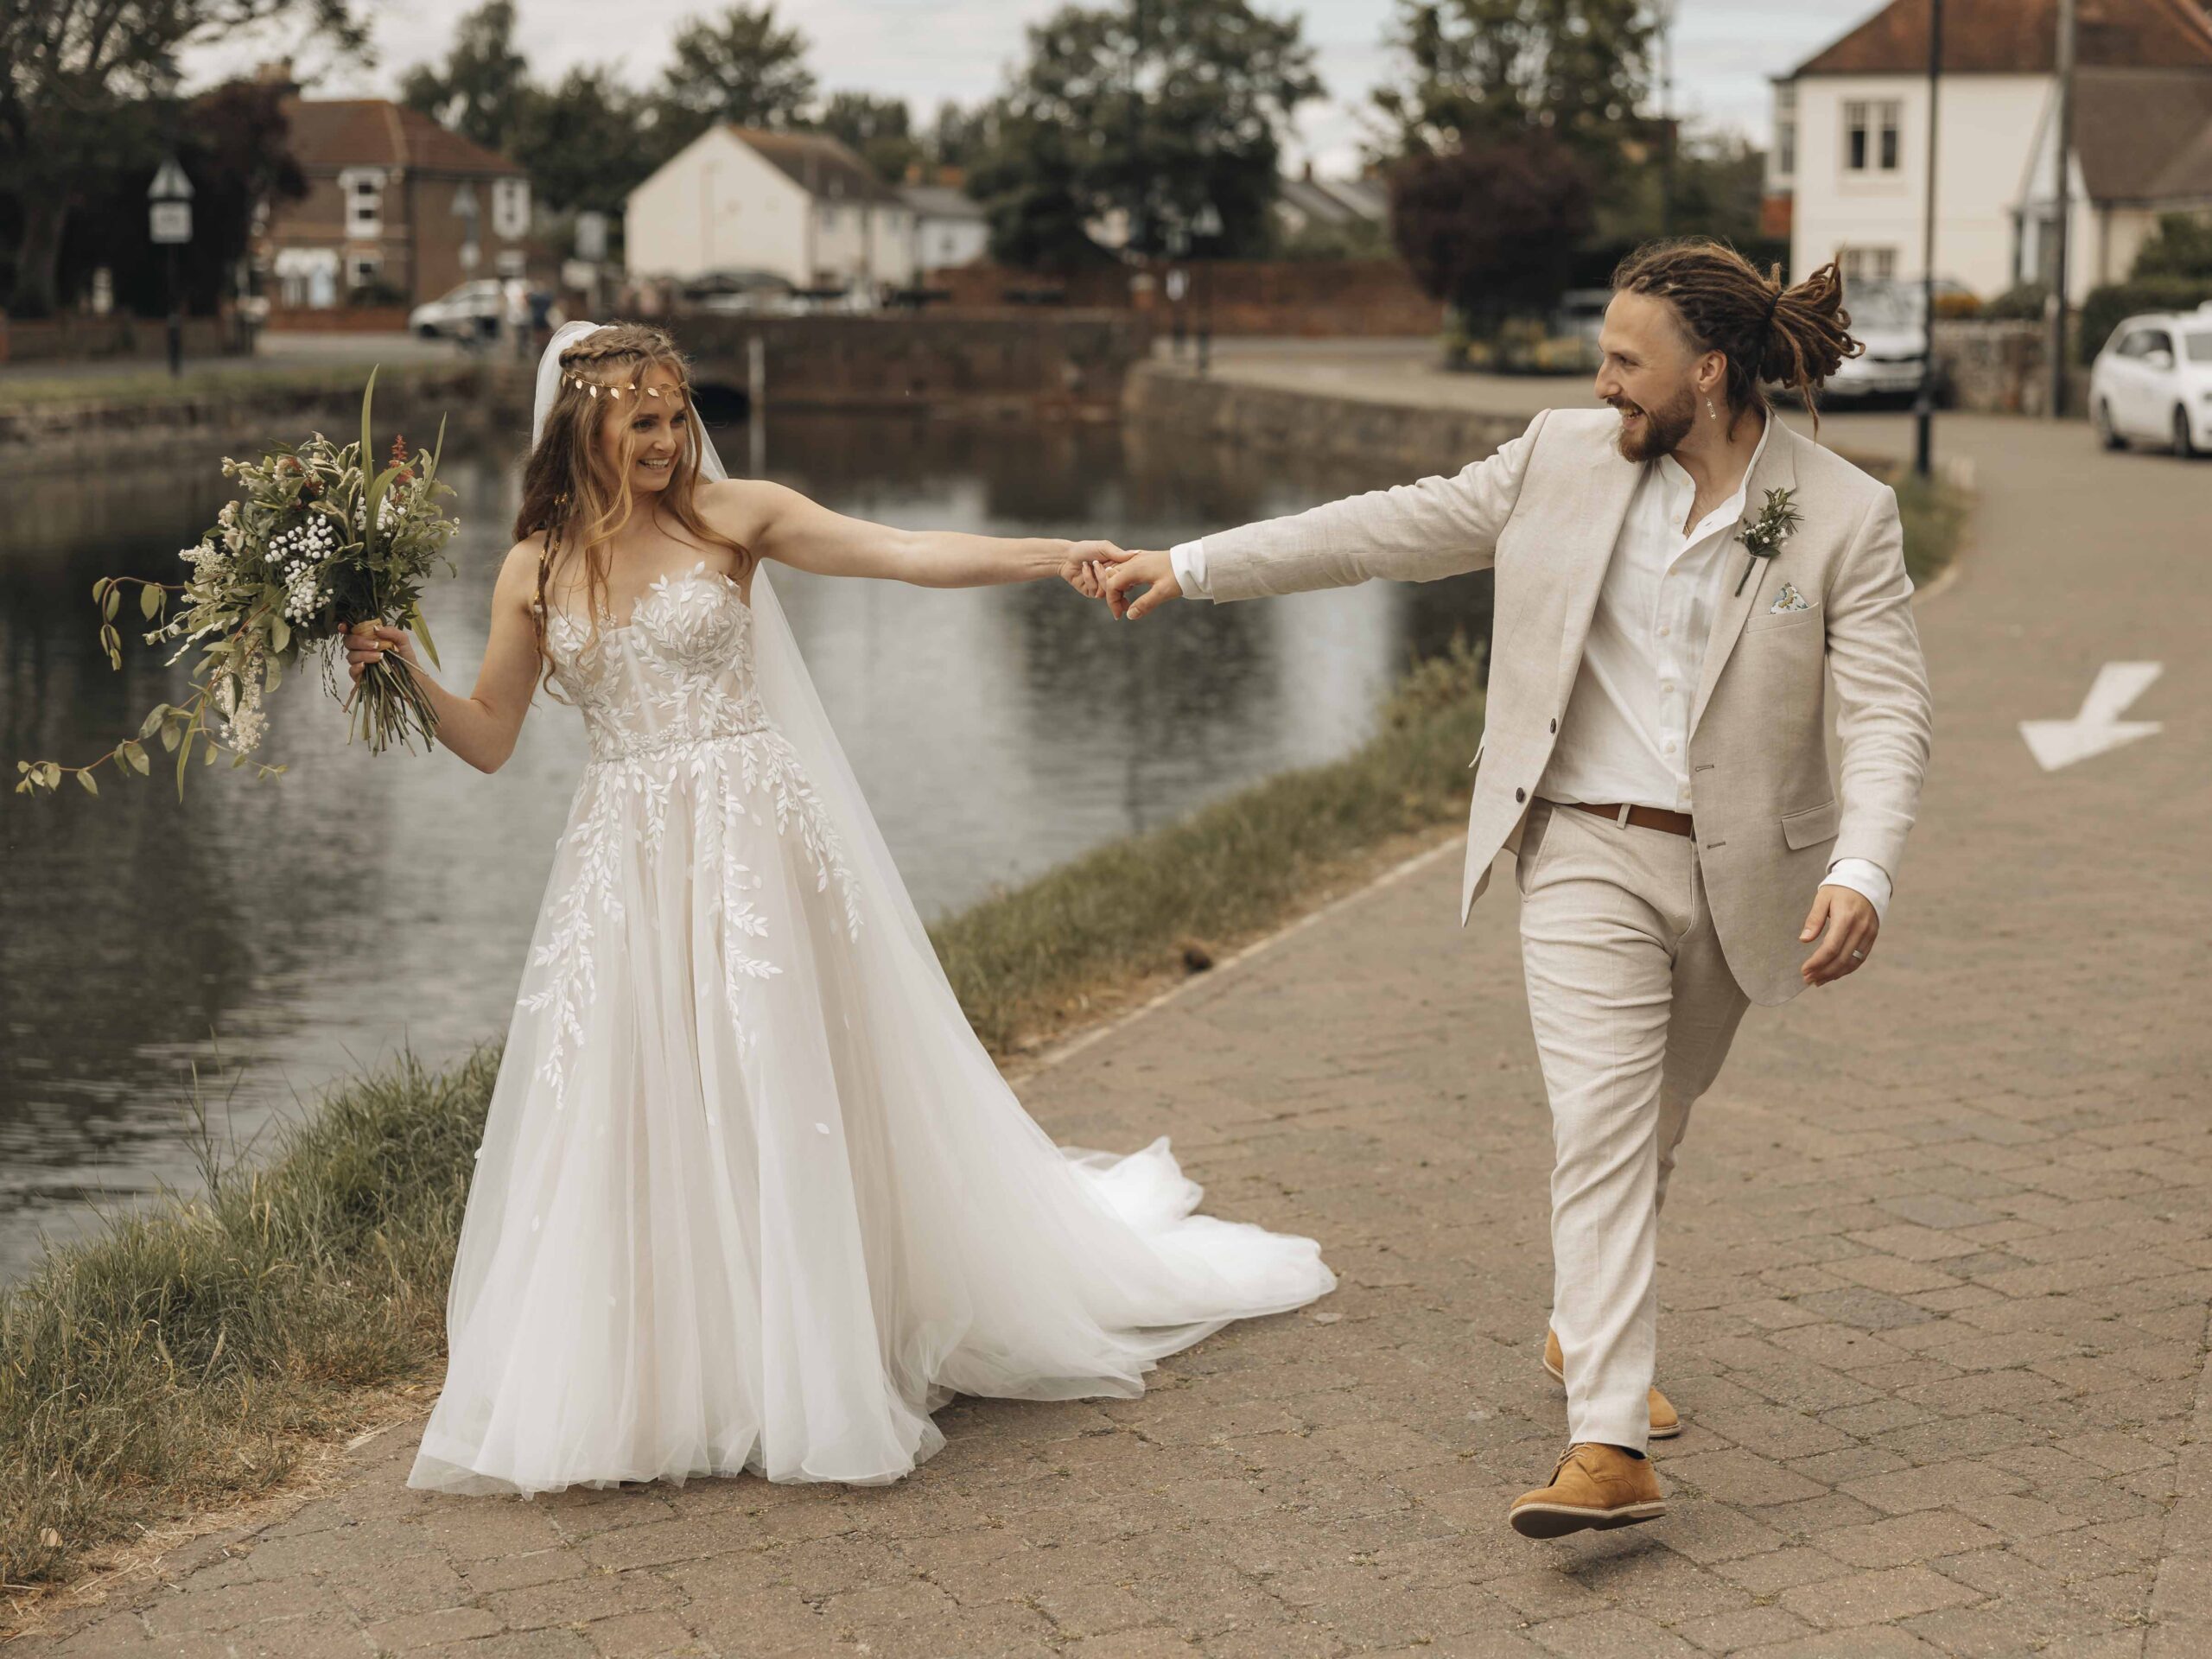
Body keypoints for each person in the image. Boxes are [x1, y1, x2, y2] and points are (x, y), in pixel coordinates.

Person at [346, 321, 1334, 1497]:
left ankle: (824, 1350)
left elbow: (903, 552)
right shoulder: (534, 568)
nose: (665, 441)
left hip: (757, 839)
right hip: (627, 858)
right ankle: (687, 1363)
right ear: (584, 428)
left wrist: (1049, 554)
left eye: (673, 416)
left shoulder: (736, 516)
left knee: (781, 1078)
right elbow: (493, 739)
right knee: (650, 1090)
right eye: (640, 422)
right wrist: (403, 667)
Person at [1094, 238, 1933, 1538]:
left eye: (1624, 363)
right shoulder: (1555, 460)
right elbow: (1384, 530)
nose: (1602, 385)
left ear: (1708, 374)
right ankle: (1608, 1441)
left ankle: (1580, 1327)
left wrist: (1864, 865)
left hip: (1738, 881)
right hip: (1583, 845)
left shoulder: (1840, 515)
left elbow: (1887, 717)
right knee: (1598, 1131)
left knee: (1651, 1129)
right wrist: (1194, 565)